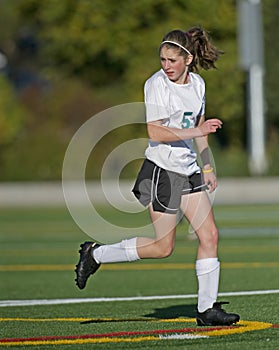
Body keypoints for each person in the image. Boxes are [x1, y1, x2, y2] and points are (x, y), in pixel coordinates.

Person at [75, 26, 240, 326]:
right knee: (163, 247)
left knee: (210, 235)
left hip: (188, 171)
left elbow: (199, 126)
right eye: (162, 59)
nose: (166, 66)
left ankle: (207, 310)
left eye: (172, 61)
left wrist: (206, 166)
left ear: (188, 59)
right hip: (162, 172)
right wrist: (197, 132)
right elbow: (156, 132)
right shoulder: (156, 84)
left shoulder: (198, 84)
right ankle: (96, 254)